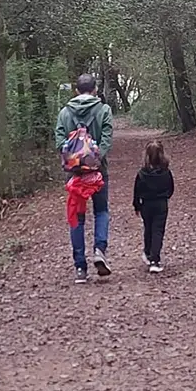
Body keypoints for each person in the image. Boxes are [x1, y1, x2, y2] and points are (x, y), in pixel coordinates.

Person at [55, 74, 113, 283]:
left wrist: (73, 160)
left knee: (77, 218)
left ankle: (80, 268)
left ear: (76, 91)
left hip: (74, 175)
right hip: (98, 171)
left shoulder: (64, 113)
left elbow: (59, 141)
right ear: (95, 90)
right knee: (101, 211)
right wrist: (95, 159)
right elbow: (107, 139)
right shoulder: (103, 110)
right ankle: (99, 249)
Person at [132, 140, 175, 274]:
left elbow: (136, 190)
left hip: (146, 204)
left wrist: (137, 205)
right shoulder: (166, 172)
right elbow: (171, 188)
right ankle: (154, 260)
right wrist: (165, 196)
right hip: (161, 204)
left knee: (148, 228)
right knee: (158, 231)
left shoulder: (142, 173)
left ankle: (148, 252)